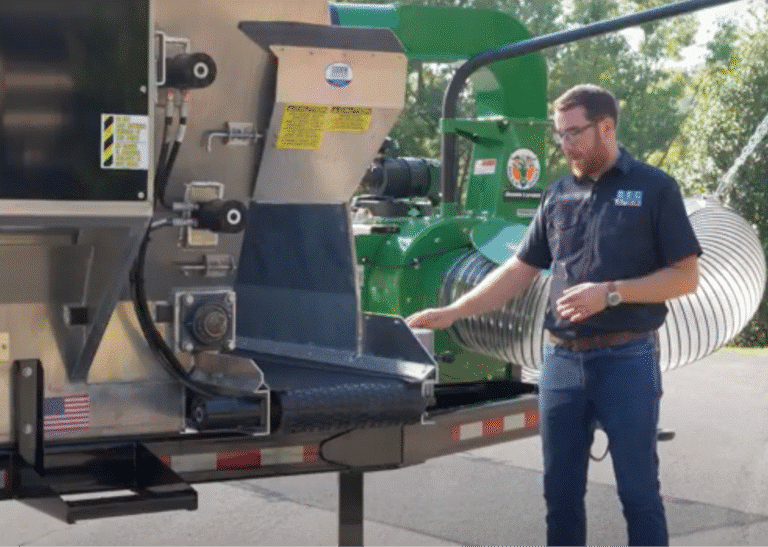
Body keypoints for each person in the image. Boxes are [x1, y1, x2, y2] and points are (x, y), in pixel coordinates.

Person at [406, 84, 701, 546]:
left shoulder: (654, 189)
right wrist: (454, 311)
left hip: (626, 360)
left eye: (574, 133)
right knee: (560, 496)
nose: (565, 145)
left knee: (639, 494)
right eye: (559, 135)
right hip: (560, 363)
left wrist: (611, 294)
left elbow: (685, 278)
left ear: (607, 127)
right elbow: (519, 269)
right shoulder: (559, 192)